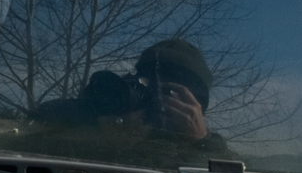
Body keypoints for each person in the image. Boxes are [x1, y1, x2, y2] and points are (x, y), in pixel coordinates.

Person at [30, 38, 213, 143]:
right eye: (146, 86)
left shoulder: (204, 146)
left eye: (171, 95)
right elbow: (37, 125)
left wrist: (200, 143)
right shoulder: (107, 110)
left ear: (194, 110)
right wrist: (102, 123)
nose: (154, 101)